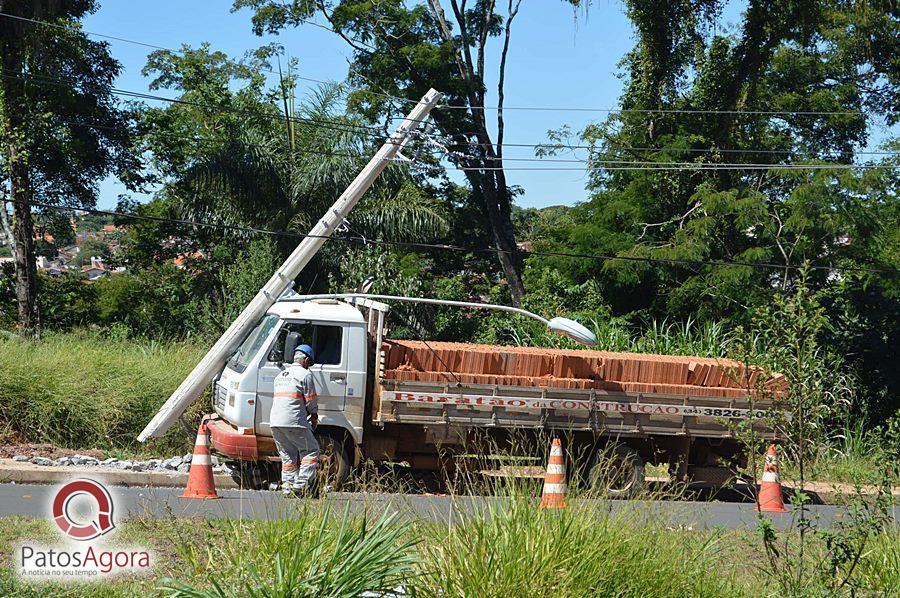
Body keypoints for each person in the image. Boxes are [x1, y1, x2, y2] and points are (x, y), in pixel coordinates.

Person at [270, 344, 320, 494]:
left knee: (288, 455)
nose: (308, 366)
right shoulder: (305, 375)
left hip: (275, 422)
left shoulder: (280, 376)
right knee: (311, 451)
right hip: (294, 421)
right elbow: (311, 400)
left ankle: (287, 486)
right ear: (305, 359)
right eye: (308, 362)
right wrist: (314, 415)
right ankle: (301, 484)